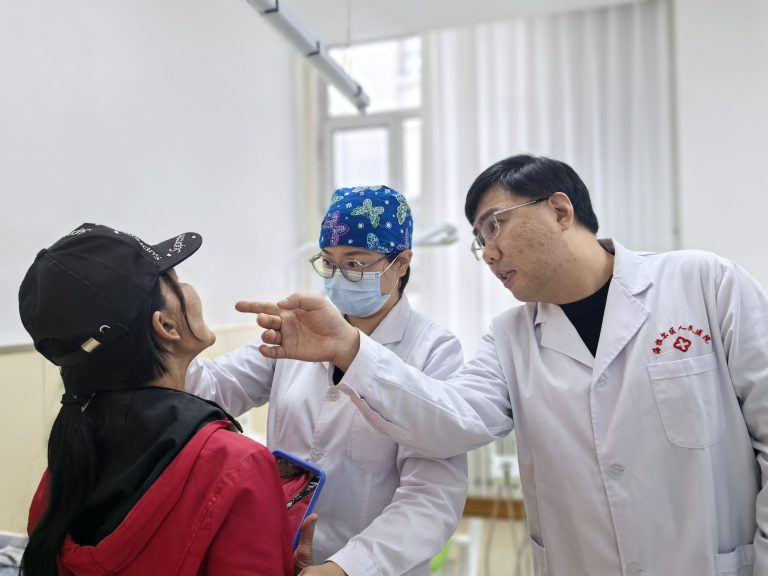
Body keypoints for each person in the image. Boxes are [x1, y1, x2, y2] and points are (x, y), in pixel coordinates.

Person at [243, 156, 768, 576]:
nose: (489, 253)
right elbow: (451, 421)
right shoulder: (510, 336)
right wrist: (350, 349)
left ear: (560, 210)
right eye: (480, 239)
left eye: (494, 226)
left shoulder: (704, 284)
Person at [186, 185, 468, 576]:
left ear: (401, 263)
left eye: (355, 263)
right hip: (278, 556)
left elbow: (430, 498)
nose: (339, 277)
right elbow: (215, 389)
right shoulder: (302, 327)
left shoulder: (434, 350)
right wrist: (177, 343)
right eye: (329, 262)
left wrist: (346, 567)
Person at [17, 223, 315, 576]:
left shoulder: (68, 463)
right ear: (167, 327)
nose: (189, 288)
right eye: (176, 280)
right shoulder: (239, 466)